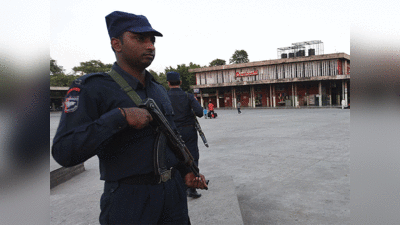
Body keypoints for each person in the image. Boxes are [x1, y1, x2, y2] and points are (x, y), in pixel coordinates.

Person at [51, 11, 207, 225]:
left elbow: (172, 137)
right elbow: (64, 151)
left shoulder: (158, 90)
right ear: (116, 44)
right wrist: (119, 117)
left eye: (152, 40)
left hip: (173, 196)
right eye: (140, 39)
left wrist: (185, 173)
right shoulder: (93, 88)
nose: (150, 45)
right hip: (129, 201)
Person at [167, 72, 204, 198]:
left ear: (168, 83)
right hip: (189, 131)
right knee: (192, 157)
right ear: (180, 82)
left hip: (172, 132)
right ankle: (192, 188)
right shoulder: (188, 96)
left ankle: (178, 188)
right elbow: (199, 112)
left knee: (174, 157)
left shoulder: (164, 96)